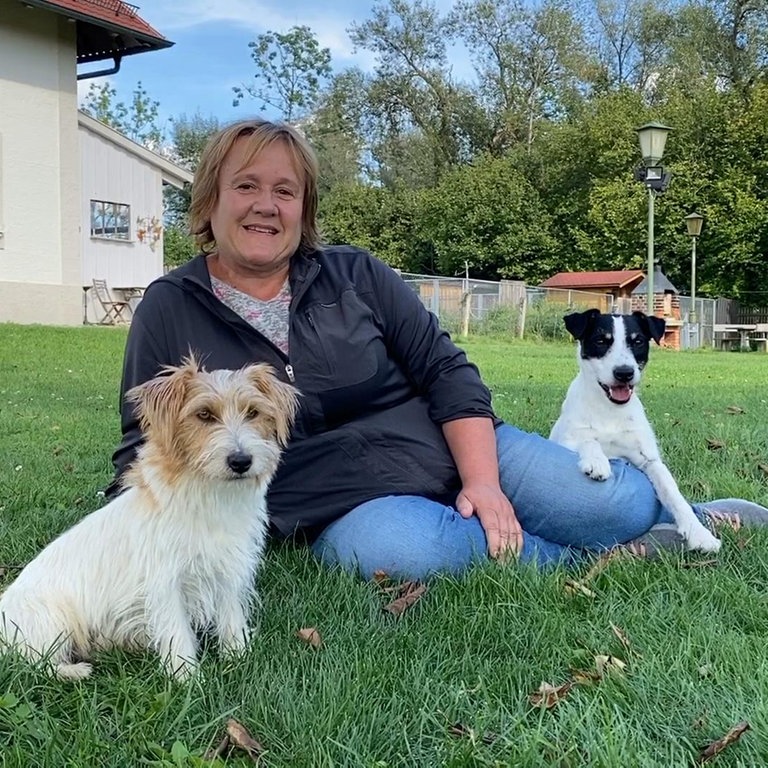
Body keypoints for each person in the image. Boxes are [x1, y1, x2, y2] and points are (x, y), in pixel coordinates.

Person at [106, 118, 768, 580]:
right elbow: (145, 446)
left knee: (614, 502)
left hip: (447, 442)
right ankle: (610, 555)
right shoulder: (172, 305)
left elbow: (446, 371)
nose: (265, 206)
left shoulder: (354, 274)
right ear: (212, 199)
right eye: (246, 186)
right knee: (404, 550)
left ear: (304, 208)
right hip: (340, 500)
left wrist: (483, 481)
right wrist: (121, 548)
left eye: (285, 190)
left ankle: (677, 519)